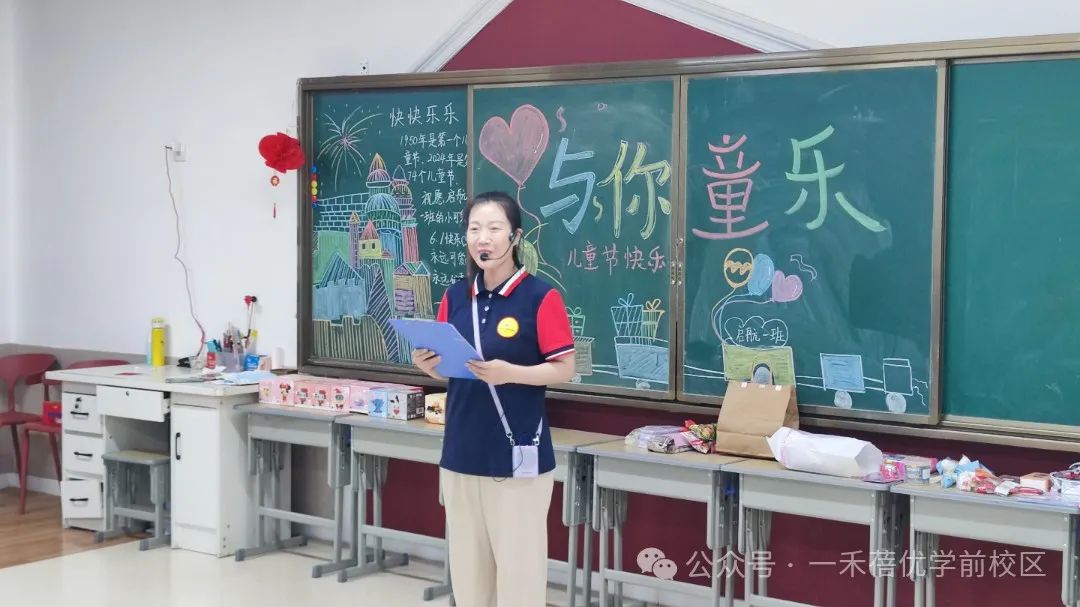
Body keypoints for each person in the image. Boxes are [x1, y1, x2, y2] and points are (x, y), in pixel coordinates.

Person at [411, 191, 576, 607]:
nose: (482, 238)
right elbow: (452, 369)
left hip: (517, 453)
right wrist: (429, 366)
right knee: (469, 575)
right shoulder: (455, 296)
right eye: (474, 229)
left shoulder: (540, 297)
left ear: (515, 236)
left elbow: (564, 368)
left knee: (519, 574)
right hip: (461, 450)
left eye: (494, 228)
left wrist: (510, 374)